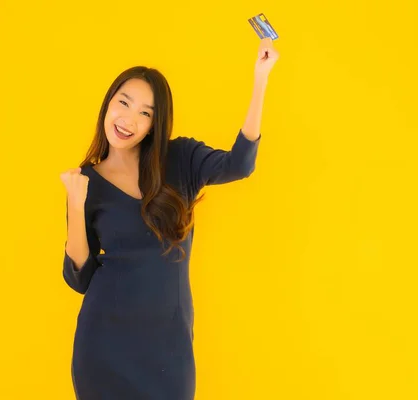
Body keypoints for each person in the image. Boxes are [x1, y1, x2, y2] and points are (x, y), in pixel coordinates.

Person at [59, 38, 279, 399]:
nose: (129, 119)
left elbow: (240, 165)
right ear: (108, 104)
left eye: (145, 113)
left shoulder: (179, 160)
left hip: (167, 347)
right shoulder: (85, 182)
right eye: (123, 103)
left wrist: (261, 78)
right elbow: (80, 276)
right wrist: (74, 200)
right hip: (103, 346)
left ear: (154, 124)